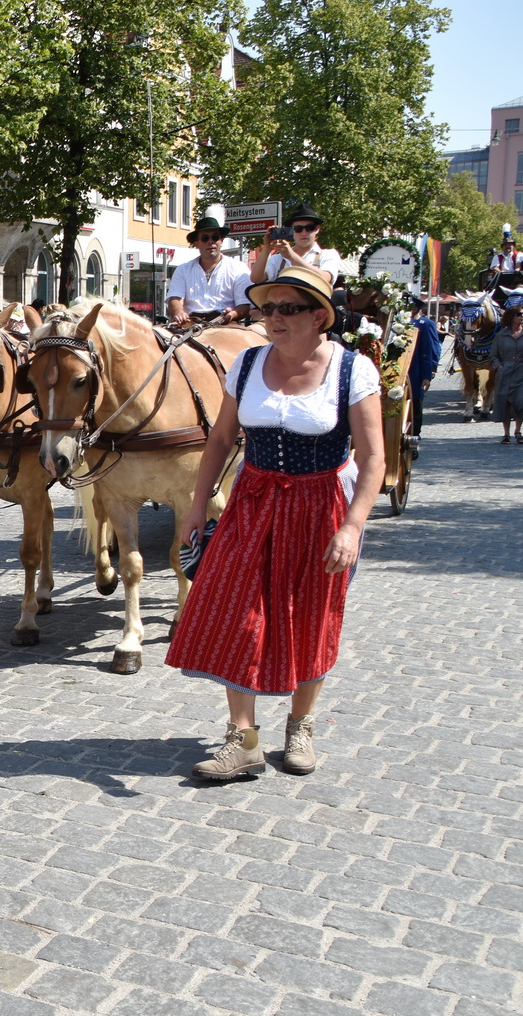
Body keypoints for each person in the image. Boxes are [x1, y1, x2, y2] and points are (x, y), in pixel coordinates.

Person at [166, 264, 384, 780]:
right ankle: (242, 740)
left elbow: (373, 458)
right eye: (268, 308)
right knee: (237, 613)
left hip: (319, 507)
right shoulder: (246, 364)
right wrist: (197, 506)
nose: (275, 318)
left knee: (312, 616)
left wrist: (351, 527)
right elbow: (220, 440)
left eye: (289, 308)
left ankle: (300, 726)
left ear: (319, 318)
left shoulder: (352, 372)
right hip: (253, 500)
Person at [167, 216, 253, 326]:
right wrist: (179, 312)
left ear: (221, 241)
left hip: (226, 323)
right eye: (205, 238)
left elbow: (244, 305)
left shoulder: (238, 268)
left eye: (215, 237)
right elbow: (175, 298)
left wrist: (232, 314)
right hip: (190, 323)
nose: (210, 242)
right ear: (196, 243)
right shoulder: (183, 270)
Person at [489, 303, 523, 445]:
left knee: (520, 403)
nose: (522, 316)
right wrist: (498, 367)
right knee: (505, 404)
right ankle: (506, 433)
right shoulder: (501, 336)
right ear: (511, 317)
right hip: (504, 372)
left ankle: (518, 431)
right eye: (519, 314)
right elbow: (493, 355)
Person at [250, 203, 342, 285]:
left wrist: (291, 256)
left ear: (317, 229)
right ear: (291, 231)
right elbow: (255, 278)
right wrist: (267, 248)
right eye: (298, 229)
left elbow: (325, 278)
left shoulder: (328, 254)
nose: (304, 233)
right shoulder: (278, 258)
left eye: (309, 228)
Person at [405, 298, 442, 439]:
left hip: (416, 368)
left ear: (415, 308)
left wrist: (430, 370)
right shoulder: (397, 323)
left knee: (415, 401)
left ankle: (415, 433)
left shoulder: (426, 324)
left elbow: (431, 347)